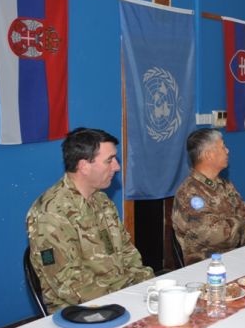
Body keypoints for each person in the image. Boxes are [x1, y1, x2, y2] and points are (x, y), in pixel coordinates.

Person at [26, 128, 154, 314]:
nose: (117, 167)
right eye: (109, 160)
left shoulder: (102, 201)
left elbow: (128, 253)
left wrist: (147, 284)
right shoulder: (50, 213)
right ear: (84, 166)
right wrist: (128, 294)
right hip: (81, 312)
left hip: (122, 298)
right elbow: (69, 285)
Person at [172, 128, 245, 265]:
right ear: (209, 155)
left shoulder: (225, 185)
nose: (227, 151)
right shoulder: (189, 193)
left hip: (236, 259)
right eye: (223, 147)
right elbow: (218, 236)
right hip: (206, 266)